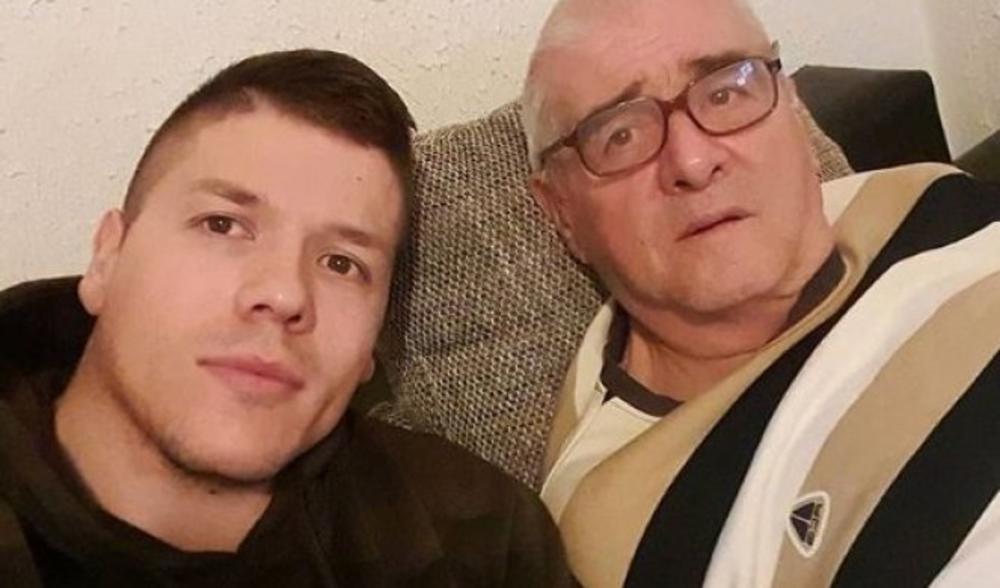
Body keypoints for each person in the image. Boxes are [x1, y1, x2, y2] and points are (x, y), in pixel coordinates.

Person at [0, 49, 573, 586]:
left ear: (374, 338)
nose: (283, 293)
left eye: (342, 263)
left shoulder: (484, 538)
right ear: (108, 257)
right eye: (223, 225)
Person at [520, 0, 1000, 585]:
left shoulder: (925, 196)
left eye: (724, 93)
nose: (693, 161)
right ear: (561, 210)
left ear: (792, 107)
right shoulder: (627, 522)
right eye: (620, 135)